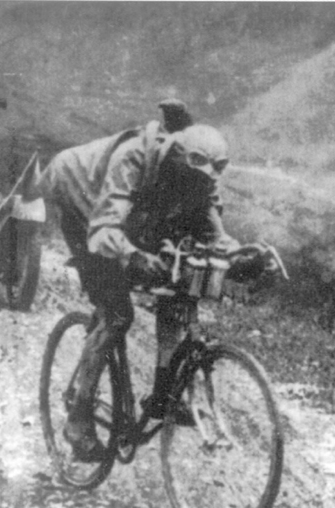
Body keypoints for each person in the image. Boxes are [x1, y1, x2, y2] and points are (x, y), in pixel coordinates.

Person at [36, 104, 239, 461]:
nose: (199, 186)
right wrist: (134, 256)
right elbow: (104, 231)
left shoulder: (201, 179)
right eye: (191, 179)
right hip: (80, 194)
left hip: (134, 210)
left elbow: (214, 229)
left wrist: (238, 252)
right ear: (174, 161)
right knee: (116, 313)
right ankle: (78, 419)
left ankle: (163, 396)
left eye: (206, 180)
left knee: (176, 289)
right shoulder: (132, 159)